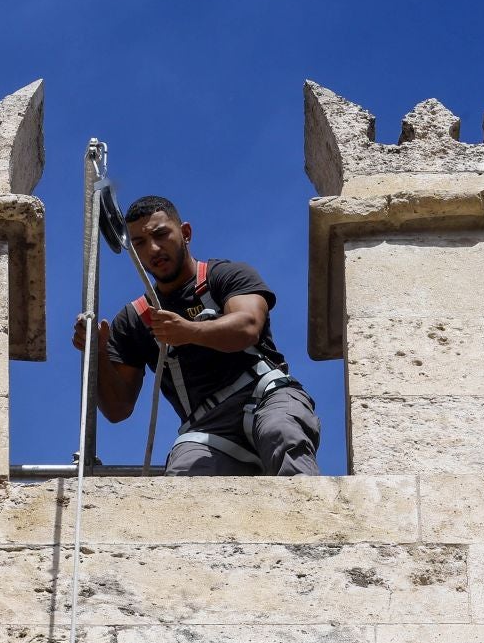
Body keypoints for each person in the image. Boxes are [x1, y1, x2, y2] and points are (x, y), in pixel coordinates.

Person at [70, 195, 321, 475]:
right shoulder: (135, 320)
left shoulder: (225, 276)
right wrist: (98, 353)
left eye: (161, 234)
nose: (153, 249)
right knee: (182, 479)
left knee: (282, 433)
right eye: (140, 243)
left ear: (185, 233)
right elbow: (118, 409)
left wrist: (188, 331)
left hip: (267, 397)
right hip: (206, 429)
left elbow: (248, 326)